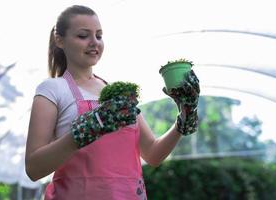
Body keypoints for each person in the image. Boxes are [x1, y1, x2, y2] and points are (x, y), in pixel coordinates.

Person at [25, 5, 200, 200]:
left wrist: (185, 116)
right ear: (60, 40)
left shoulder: (119, 93)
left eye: (99, 36)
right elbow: (33, 168)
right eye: (83, 36)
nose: (94, 42)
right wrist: (86, 130)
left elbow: (152, 154)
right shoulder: (52, 89)